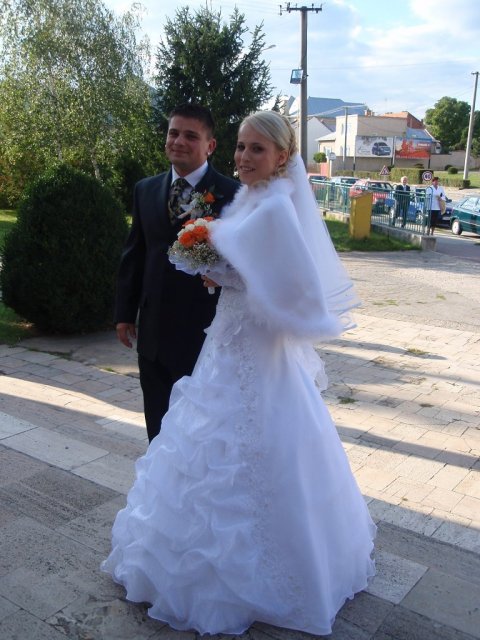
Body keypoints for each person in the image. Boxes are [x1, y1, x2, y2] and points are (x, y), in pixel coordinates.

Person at [102, 111, 376, 636]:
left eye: (257, 149)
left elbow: (295, 289)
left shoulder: (275, 207)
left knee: (256, 448)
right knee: (203, 442)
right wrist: (218, 268)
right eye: (242, 147)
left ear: (281, 157)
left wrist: (222, 272)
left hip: (253, 348)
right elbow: (250, 267)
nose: (244, 157)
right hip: (225, 343)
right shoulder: (253, 198)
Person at [114, 103, 239, 442]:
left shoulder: (232, 195)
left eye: (190, 136)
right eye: (173, 133)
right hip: (153, 331)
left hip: (203, 332)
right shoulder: (145, 189)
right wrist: (124, 313)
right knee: (157, 425)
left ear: (210, 145)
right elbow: (135, 253)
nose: (178, 141)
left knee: (198, 432)